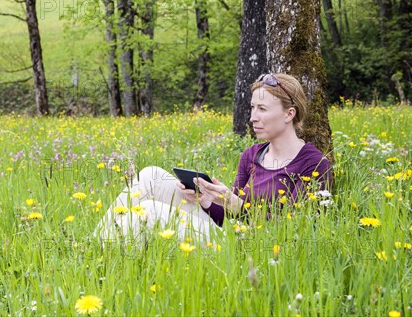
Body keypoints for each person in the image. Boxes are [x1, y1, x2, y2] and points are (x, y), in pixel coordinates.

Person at [94, 73, 333, 243]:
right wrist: (208, 200)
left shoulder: (314, 164)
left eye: (262, 109)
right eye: (252, 108)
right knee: (151, 175)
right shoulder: (251, 155)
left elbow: (297, 231)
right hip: (226, 230)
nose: (252, 117)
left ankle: (113, 256)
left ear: (288, 114)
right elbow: (228, 218)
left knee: (149, 210)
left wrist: (236, 203)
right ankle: (95, 248)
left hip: (251, 246)